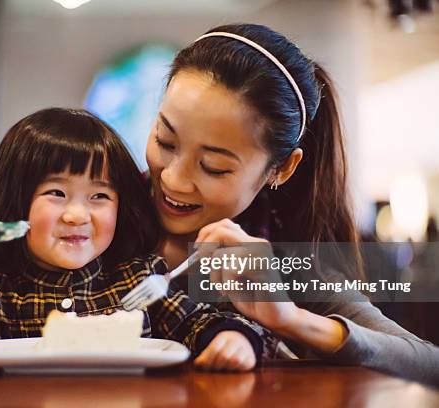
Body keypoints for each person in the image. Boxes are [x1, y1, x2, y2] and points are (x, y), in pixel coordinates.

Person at [145, 23, 439, 384]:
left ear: (281, 169)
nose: (172, 179)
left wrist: (292, 320)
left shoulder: (282, 263)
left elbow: (429, 364)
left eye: (214, 167)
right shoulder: (95, 214)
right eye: (165, 141)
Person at [0, 107, 278, 371]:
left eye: (99, 197)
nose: (77, 215)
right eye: (56, 194)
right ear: (17, 204)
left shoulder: (136, 278)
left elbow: (197, 323)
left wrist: (233, 339)